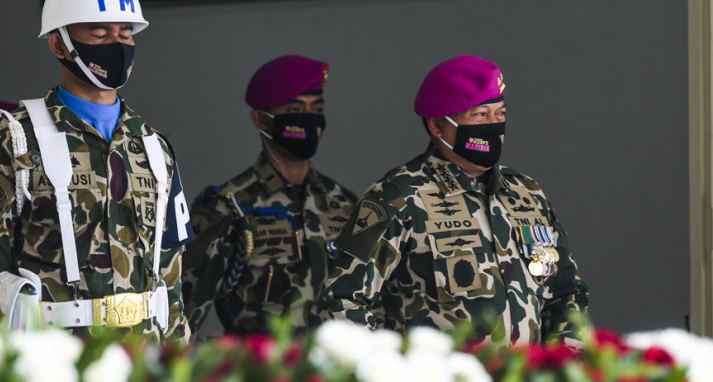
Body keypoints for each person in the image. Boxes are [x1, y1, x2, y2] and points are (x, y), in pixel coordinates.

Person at [0, 0, 193, 340]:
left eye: (125, 33)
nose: (117, 43)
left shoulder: (154, 148)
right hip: (53, 362)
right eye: (100, 33)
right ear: (59, 43)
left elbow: (171, 278)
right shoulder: (10, 144)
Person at [312, 55, 589, 345]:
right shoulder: (398, 196)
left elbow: (567, 293)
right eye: (480, 115)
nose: (493, 126)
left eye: (500, 114)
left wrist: (565, 361)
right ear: (436, 126)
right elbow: (342, 303)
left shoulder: (526, 193)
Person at [182, 55, 356, 334]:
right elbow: (183, 318)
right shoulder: (228, 208)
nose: (310, 120)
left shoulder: (344, 203)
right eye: (296, 111)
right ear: (261, 120)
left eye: (317, 109)